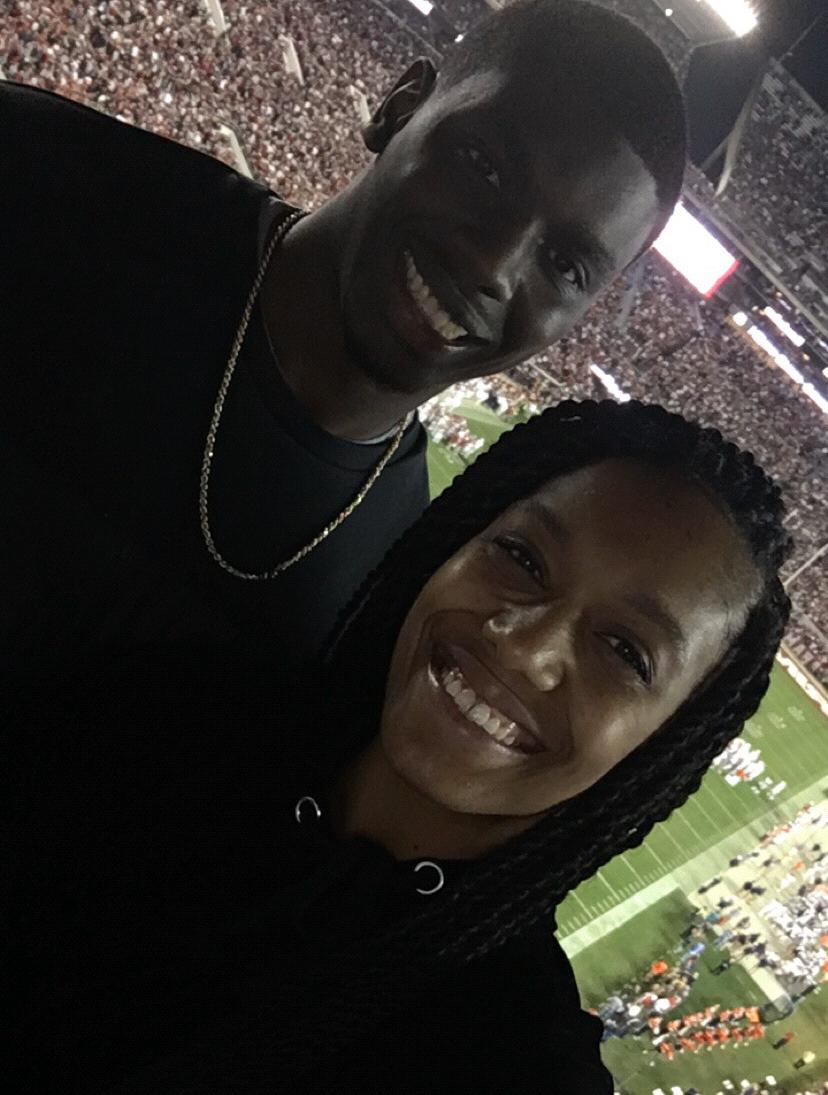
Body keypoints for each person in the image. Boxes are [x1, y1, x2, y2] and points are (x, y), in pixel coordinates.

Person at [6, 399, 792, 1089]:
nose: (524, 647)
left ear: (662, 747)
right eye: (521, 557)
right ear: (455, 542)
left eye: (625, 650)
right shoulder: (170, 702)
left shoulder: (512, 1059)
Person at [0, 0, 688, 703]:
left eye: (566, 264)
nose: (496, 262)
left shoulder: (395, 587)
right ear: (398, 108)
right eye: (485, 165)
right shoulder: (46, 181)